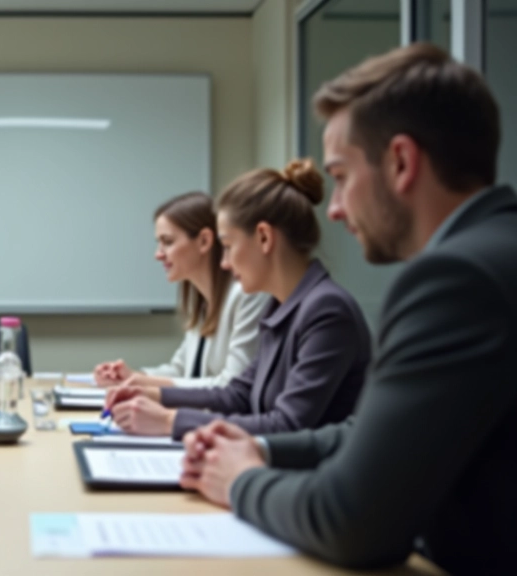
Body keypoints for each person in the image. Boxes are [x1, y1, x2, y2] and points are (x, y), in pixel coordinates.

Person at [180, 43, 517, 575]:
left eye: (341, 176)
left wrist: (241, 480)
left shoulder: (457, 279)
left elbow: (351, 522)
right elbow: (369, 431)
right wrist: (262, 450)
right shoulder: (494, 253)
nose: (333, 208)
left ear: (402, 162)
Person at [105, 159, 371, 439]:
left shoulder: (326, 310)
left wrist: (170, 421)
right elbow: (238, 394)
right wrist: (154, 394)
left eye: (229, 246)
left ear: (264, 238)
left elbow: (287, 425)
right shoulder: (280, 306)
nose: (224, 264)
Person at [94, 192, 268, 389]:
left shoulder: (246, 295)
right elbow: (181, 370)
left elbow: (231, 386)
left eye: (167, 242)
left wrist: (143, 382)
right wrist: (131, 376)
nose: (158, 254)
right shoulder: (201, 299)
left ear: (204, 241)